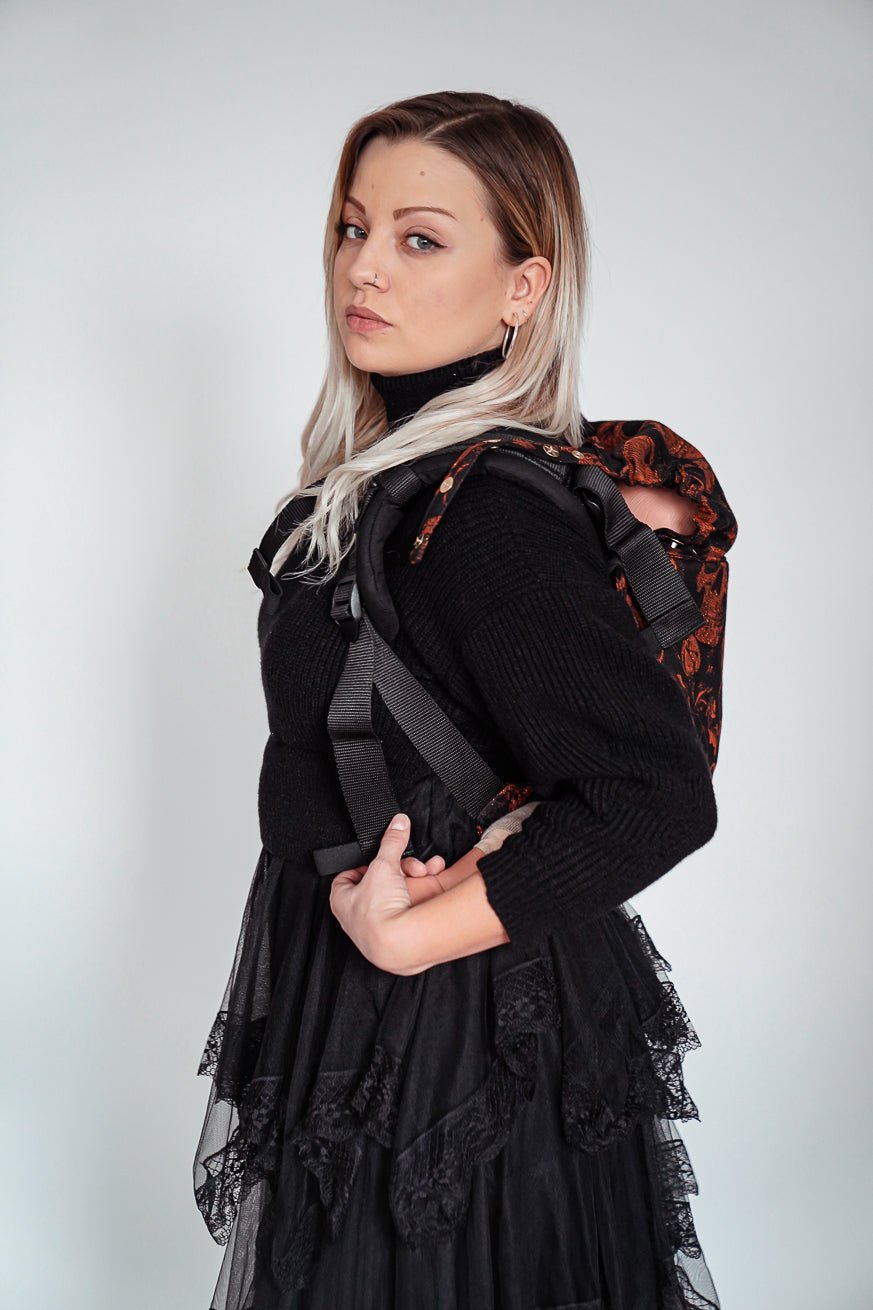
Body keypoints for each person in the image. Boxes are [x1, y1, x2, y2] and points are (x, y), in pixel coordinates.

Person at [193, 91, 728, 1310]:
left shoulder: (482, 511)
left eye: (420, 238)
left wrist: (404, 936)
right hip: (384, 997)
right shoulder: (397, 486)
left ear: (523, 288)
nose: (364, 267)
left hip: (460, 1023)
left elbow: (655, 795)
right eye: (353, 227)